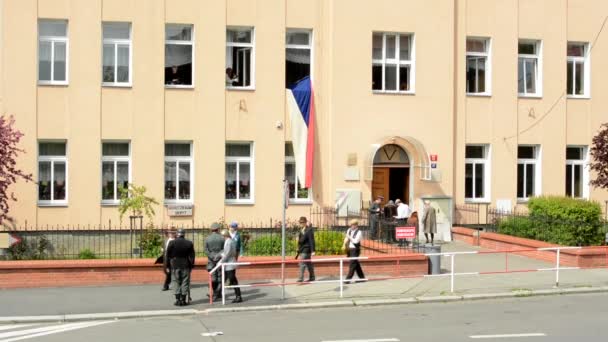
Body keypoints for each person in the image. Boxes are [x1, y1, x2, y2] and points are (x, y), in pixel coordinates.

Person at [166, 228, 195, 306]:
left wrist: (167, 266)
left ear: (177, 234)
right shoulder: (189, 243)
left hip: (175, 265)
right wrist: (191, 266)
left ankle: (177, 299)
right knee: (185, 282)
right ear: (184, 234)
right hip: (185, 264)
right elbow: (192, 256)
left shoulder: (172, 243)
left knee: (176, 281)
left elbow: (167, 256)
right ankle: (183, 299)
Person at [219, 229, 243, 303]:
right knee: (230, 279)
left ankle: (238, 296)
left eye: (222, 236)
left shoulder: (228, 242)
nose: (221, 238)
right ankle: (216, 293)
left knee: (233, 280)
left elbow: (227, 253)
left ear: (224, 235)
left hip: (230, 263)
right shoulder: (229, 241)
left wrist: (221, 261)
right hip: (229, 263)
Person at [205, 222, 225, 301]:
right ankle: (217, 293)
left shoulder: (207, 238)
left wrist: (212, 256)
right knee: (220, 276)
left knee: (213, 277)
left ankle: (215, 292)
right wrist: (218, 256)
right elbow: (224, 249)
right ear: (218, 229)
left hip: (211, 260)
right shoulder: (222, 238)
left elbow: (206, 250)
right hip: (219, 259)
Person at [296, 216, 316, 282]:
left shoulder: (309, 230)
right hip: (302, 249)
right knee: (308, 263)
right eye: (300, 222)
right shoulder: (301, 230)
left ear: (305, 222)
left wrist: (313, 250)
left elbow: (311, 240)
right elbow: (299, 241)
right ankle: (312, 277)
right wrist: (298, 249)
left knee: (302, 262)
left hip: (307, 249)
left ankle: (300, 278)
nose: (301, 224)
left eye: (302, 222)